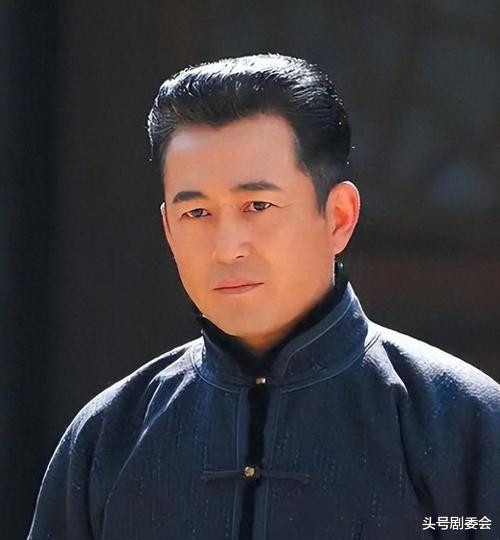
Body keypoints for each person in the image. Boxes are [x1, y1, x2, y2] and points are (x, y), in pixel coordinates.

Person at [28, 54, 500, 540]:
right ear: (168, 229)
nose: (226, 248)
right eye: (196, 213)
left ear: (338, 216)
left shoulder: (460, 424)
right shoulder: (108, 439)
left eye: (257, 205)